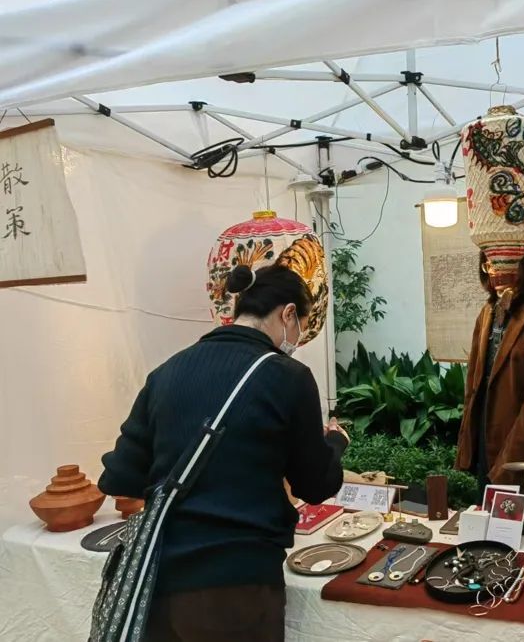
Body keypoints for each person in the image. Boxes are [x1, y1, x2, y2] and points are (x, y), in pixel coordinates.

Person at [98, 264, 348, 642]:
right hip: (238, 584)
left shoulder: (166, 372)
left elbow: (119, 477)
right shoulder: (288, 377)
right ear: (288, 314)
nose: (297, 338)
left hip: (159, 583)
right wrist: (335, 443)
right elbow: (316, 485)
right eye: (301, 326)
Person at [455, 247, 524, 489]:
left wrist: (510, 460)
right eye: (490, 265)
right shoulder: (487, 313)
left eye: (505, 264)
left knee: (518, 507)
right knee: (486, 505)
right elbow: (473, 386)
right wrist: (468, 442)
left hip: (523, 446)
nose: (496, 273)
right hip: (487, 433)